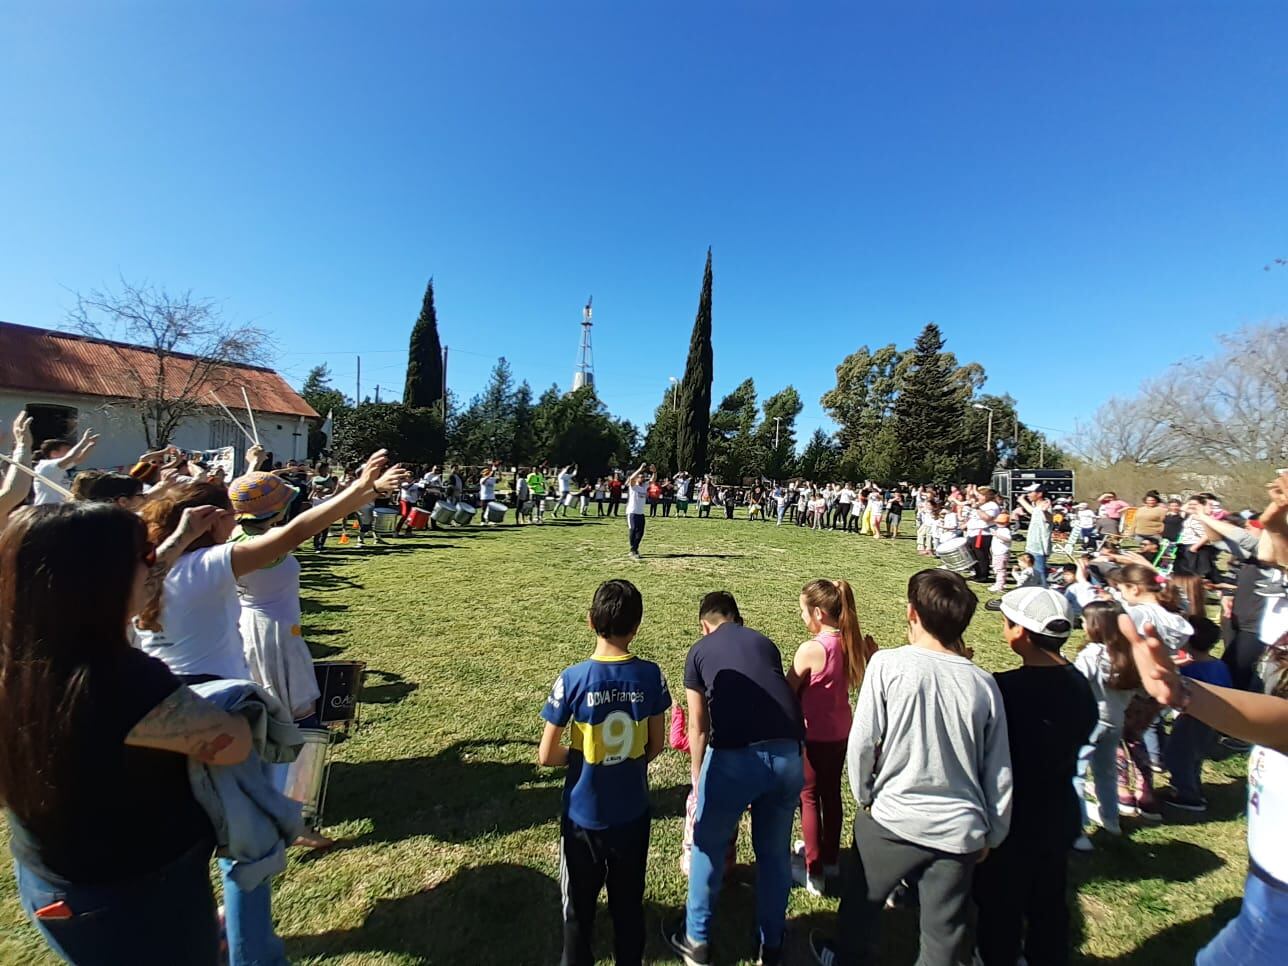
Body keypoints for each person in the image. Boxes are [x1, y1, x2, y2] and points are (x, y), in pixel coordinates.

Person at [0, 502, 253, 965]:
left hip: (51, 881)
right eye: (146, 555)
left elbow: (137, 594)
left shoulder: (19, 663)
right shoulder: (123, 683)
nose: (153, 563)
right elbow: (231, 743)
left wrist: (176, 540)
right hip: (138, 892)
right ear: (105, 581)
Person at [810, 569, 1012, 966]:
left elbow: (864, 741)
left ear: (911, 613)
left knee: (861, 905)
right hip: (960, 830)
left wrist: (864, 794)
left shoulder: (887, 665)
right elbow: (998, 769)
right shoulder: (983, 683)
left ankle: (847, 956)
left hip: (892, 816)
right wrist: (995, 830)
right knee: (943, 933)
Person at [668, 591, 804, 966]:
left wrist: (698, 777)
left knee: (707, 845)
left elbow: (698, 724)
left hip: (734, 757)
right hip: (789, 754)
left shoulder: (699, 650)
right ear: (737, 618)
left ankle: (695, 939)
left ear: (704, 624)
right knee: (774, 853)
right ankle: (772, 943)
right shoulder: (766, 643)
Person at [538, 580, 668, 966]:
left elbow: (546, 755)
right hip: (632, 813)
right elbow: (655, 746)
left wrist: (583, 758)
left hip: (583, 817)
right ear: (637, 626)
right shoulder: (651, 675)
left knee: (578, 910)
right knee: (628, 907)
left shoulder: (573, 678)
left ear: (590, 620)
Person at [973, 588, 1096, 966]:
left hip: (1012, 814)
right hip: (1058, 811)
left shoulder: (1004, 689)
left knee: (1000, 904)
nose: (1004, 629)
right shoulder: (1079, 685)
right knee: (1049, 900)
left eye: (1007, 623)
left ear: (1021, 634)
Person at [787, 580, 874, 896]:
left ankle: (813, 871)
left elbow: (789, 689)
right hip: (840, 734)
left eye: (803, 611)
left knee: (808, 797)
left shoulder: (812, 649)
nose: (801, 616)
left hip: (813, 736)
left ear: (819, 613)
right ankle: (832, 857)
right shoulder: (851, 642)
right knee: (831, 795)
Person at [1071, 601, 1137, 847]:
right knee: (1106, 771)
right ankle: (1111, 820)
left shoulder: (1092, 655)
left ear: (1096, 626)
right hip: (1115, 720)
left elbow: (1076, 684)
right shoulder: (1128, 656)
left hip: (1090, 721)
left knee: (1077, 773)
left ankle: (1077, 831)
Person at [32, 430, 99, 506]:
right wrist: (83, 441)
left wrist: (91, 445)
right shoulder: (46, 465)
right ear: (54, 453)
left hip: (58, 508)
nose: (71, 451)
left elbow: (79, 459)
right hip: (46, 509)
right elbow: (71, 457)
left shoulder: (60, 467)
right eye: (68, 450)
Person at [1016, 485, 1053, 586]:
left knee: (1039, 574)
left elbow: (1049, 519)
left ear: (1039, 494)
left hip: (1039, 548)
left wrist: (1045, 512)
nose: (1028, 495)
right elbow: (1032, 511)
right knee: (1033, 573)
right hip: (1032, 545)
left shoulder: (1046, 505)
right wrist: (1021, 500)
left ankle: (1044, 592)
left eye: (1030, 492)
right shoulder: (1037, 506)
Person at [965, 488, 1000, 582]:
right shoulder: (983, 505)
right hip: (973, 532)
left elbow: (987, 518)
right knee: (974, 554)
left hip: (983, 533)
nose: (978, 497)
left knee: (981, 555)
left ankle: (983, 575)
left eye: (980, 495)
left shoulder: (992, 505)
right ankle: (977, 573)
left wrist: (977, 508)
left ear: (986, 496)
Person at [625, 463, 650, 560]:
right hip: (632, 512)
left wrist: (655, 472)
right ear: (637, 478)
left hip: (640, 513)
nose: (642, 478)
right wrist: (640, 469)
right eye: (640, 477)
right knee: (633, 529)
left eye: (643, 477)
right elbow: (631, 479)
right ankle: (632, 550)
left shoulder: (644, 487)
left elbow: (653, 480)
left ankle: (635, 548)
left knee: (641, 532)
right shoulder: (633, 486)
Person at [988, 512, 1013, 593]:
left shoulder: (1005, 530)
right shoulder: (999, 529)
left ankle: (999, 586)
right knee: (997, 569)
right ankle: (1000, 583)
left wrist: (997, 535)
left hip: (1001, 553)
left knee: (1000, 570)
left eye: (1002, 523)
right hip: (997, 553)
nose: (999, 524)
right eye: (998, 522)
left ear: (1007, 523)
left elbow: (1008, 539)